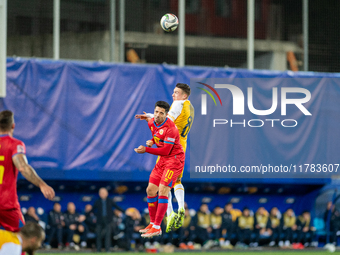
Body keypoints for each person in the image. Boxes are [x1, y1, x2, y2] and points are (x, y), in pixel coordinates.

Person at [135, 83, 194, 232]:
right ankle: (180, 207)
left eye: (176, 92)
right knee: (175, 181)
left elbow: (167, 121)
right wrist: (154, 138)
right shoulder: (190, 107)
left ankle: (168, 215)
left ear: (184, 96)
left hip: (170, 148)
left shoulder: (178, 105)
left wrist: (150, 145)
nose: (173, 95)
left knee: (163, 186)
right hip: (182, 145)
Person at [0, 110, 55, 233]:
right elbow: (23, 168)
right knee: (22, 240)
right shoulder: (14, 144)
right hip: (7, 205)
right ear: (13, 125)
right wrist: (42, 184)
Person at [92, 187, 124, 252]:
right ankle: (98, 250)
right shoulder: (97, 201)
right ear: (99, 194)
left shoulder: (110, 200)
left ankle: (107, 249)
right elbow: (92, 210)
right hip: (99, 220)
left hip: (108, 220)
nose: (102, 194)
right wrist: (85, 215)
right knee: (98, 235)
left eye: (104, 192)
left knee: (108, 235)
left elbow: (117, 207)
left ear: (107, 193)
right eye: (101, 193)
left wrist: (125, 211)